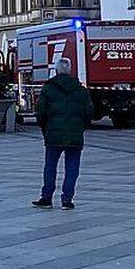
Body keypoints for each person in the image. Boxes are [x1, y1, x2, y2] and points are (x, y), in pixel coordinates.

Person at [33, 57, 93, 210]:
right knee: (72, 167)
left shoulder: (48, 88)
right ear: (70, 70)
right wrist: (81, 127)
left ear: (56, 70)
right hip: (74, 135)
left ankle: (46, 197)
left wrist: (45, 127)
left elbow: (41, 111)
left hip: (53, 134)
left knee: (50, 166)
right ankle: (67, 199)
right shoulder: (81, 90)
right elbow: (89, 113)